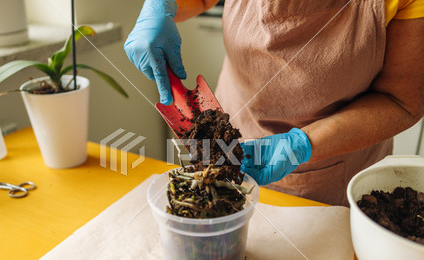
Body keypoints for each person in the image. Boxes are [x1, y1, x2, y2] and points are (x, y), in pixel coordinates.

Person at [125, 0, 424, 206]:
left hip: (332, 175)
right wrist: (161, 4)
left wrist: (301, 144)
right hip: (230, 137)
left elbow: (402, 101)